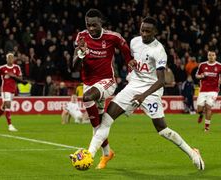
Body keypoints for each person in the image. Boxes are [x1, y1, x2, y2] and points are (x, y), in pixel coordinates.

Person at [86, 17, 205, 170]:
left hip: (151, 91)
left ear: (155, 32)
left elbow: (161, 81)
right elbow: (129, 58)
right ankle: (90, 154)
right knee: (106, 120)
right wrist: (130, 66)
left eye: (148, 31)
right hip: (133, 86)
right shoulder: (134, 42)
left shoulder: (159, 50)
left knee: (162, 130)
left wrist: (143, 96)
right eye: (142, 30)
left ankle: (192, 153)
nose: (144, 34)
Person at [73, 9, 132, 169]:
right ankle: (107, 153)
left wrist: (131, 69)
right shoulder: (81, 37)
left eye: (94, 25)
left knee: (86, 98)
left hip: (107, 81)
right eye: (88, 25)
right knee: (98, 125)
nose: (91, 28)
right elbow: (73, 67)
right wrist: (80, 54)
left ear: (101, 23)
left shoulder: (113, 37)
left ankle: (88, 154)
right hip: (88, 82)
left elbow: (127, 52)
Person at [0, 53, 24, 132]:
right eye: (9, 58)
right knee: (8, 104)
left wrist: (13, 76)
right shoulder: (2, 68)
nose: (10, 59)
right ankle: (10, 125)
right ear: (6, 59)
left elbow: (21, 78)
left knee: (4, 107)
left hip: (13, 90)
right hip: (5, 89)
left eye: (12, 58)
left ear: (13, 59)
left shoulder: (17, 67)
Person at [195, 49, 221, 131]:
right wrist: (201, 76)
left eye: (213, 55)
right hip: (203, 90)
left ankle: (207, 127)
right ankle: (201, 114)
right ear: (207, 56)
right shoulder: (202, 65)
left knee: (208, 107)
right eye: (209, 55)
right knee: (199, 109)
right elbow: (196, 75)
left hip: (214, 90)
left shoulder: (220, 66)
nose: (211, 57)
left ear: (215, 56)